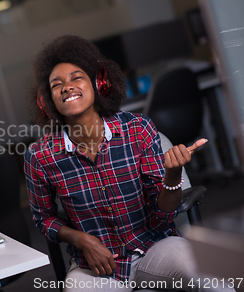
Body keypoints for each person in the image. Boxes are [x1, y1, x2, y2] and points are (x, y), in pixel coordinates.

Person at [24, 35, 233, 291]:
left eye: (76, 77)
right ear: (47, 101)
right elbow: (43, 218)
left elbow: (166, 212)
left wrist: (173, 174)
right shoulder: (40, 156)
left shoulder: (137, 129)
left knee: (212, 277)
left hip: (154, 245)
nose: (67, 87)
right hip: (95, 266)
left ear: (98, 83)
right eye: (57, 84)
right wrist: (82, 240)